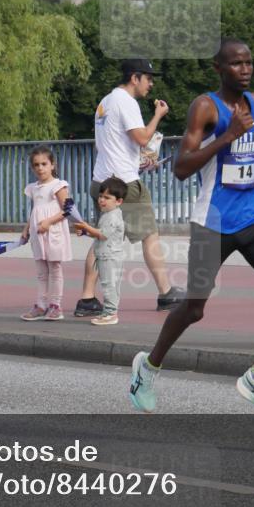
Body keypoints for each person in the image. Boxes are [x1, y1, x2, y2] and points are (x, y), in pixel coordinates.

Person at [128, 38, 254, 423]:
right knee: (194, 308)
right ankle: (148, 367)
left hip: (253, 216)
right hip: (213, 221)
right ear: (219, 68)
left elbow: (247, 146)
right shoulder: (205, 106)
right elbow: (181, 167)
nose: (244, 70)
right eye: (236, 64)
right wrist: (228, 137)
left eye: (249, 63)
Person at [74, 58, 185, 317]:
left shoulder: (105, 102)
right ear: (135, 78)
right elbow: (143, 137)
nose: (151, 83)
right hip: (124, 183)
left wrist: (139, 160)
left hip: (101, 179)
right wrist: (158, 115)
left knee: (104, 238)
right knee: (149, 234)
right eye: (148, 78)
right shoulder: (127, 102)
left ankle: (87, 298)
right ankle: (166, 293)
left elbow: (111, 144)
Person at [20, 146, 72, 321]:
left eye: (44, 164)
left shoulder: (58, 185)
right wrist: (27, 228)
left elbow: (68, 209)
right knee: (41, 271)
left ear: (52, 165)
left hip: (53, 231)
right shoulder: (33, 188)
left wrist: (49, 222)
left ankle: (55, 306)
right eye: (36, 165)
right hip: (38, 232)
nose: (40, 168)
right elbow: (36, 209)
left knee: (55, 269)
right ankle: (41, 305)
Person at [74, 176, 127, 326]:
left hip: (110, 257)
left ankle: (111, 314)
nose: (102, 200)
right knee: (107, 284)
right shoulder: (107, 214)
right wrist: (86, 232)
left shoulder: (113, 217)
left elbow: (102, 235)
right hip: (104, 256)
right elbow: (99, 232)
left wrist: (86, 227)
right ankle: (108, 312)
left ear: (118, 201)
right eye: (101, 196)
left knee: (110, 285)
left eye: (107, 197)